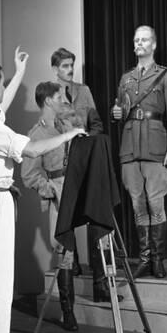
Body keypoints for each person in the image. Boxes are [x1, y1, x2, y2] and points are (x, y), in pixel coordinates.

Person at [0, 49, 85, 333]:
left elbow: (2, 104)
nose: (3, 90)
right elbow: (30, 150)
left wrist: (18, 74)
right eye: (1, 84)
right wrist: (70, 135)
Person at [111, 25, 167, 279]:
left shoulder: (166, 75)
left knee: (156, 204)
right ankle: (144, 259)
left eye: (145, 40)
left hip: (155, 148)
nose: (140, 43)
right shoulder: (126, 78)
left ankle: (158, 259)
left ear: (153, 44)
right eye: (136, 40)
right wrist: (116, 114)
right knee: (138, 205)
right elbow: (121, 110)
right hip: (130, 148)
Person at [21, 83, 79, 331]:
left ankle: (101, 287)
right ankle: (69, 312)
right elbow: (29, 175)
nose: (62, 100)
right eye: (58, 97)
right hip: (59, 190)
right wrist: (52, 191)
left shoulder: (65, 126)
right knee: (65, 251)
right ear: (47, 101)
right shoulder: (36, 134)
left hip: (78, 188)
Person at [51, 47, 104, 275]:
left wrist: (90, 142)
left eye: (72, 65)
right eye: (65, 66)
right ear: (55, 68)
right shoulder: (50, 94)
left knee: (94, 214)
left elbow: (97, 124)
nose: (70, 69)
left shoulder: (84, 91)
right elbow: (49, 132)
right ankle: (71, 267)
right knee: (67, 216)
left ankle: (98, 271)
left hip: (86, 161)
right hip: (63, 165)